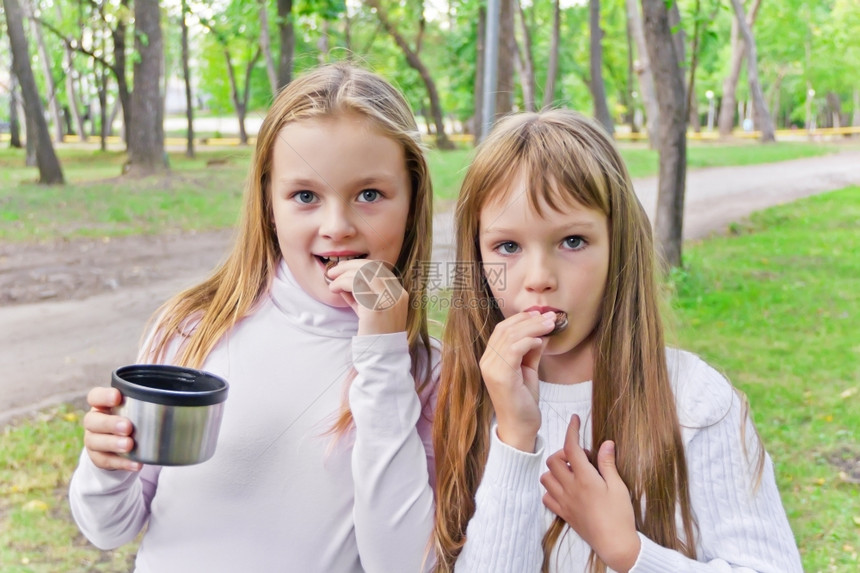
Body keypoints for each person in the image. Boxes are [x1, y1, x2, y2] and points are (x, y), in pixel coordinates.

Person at [69, 63, 439, 572]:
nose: (337, 227)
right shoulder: (193, 330)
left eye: (369, 195)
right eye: (305, 196)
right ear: (269, 203)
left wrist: (382, 354)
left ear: (412, 200)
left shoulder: (425, 374)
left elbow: (401, 564)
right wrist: (106, 466)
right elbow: (109, 527)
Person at [432, 110, 802, 573]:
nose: (539, 279)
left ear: (618, 245)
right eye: (508, 247)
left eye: (572, 241)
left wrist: (629, 552)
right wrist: (515, 439)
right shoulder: (462, 396)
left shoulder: (693, 401)